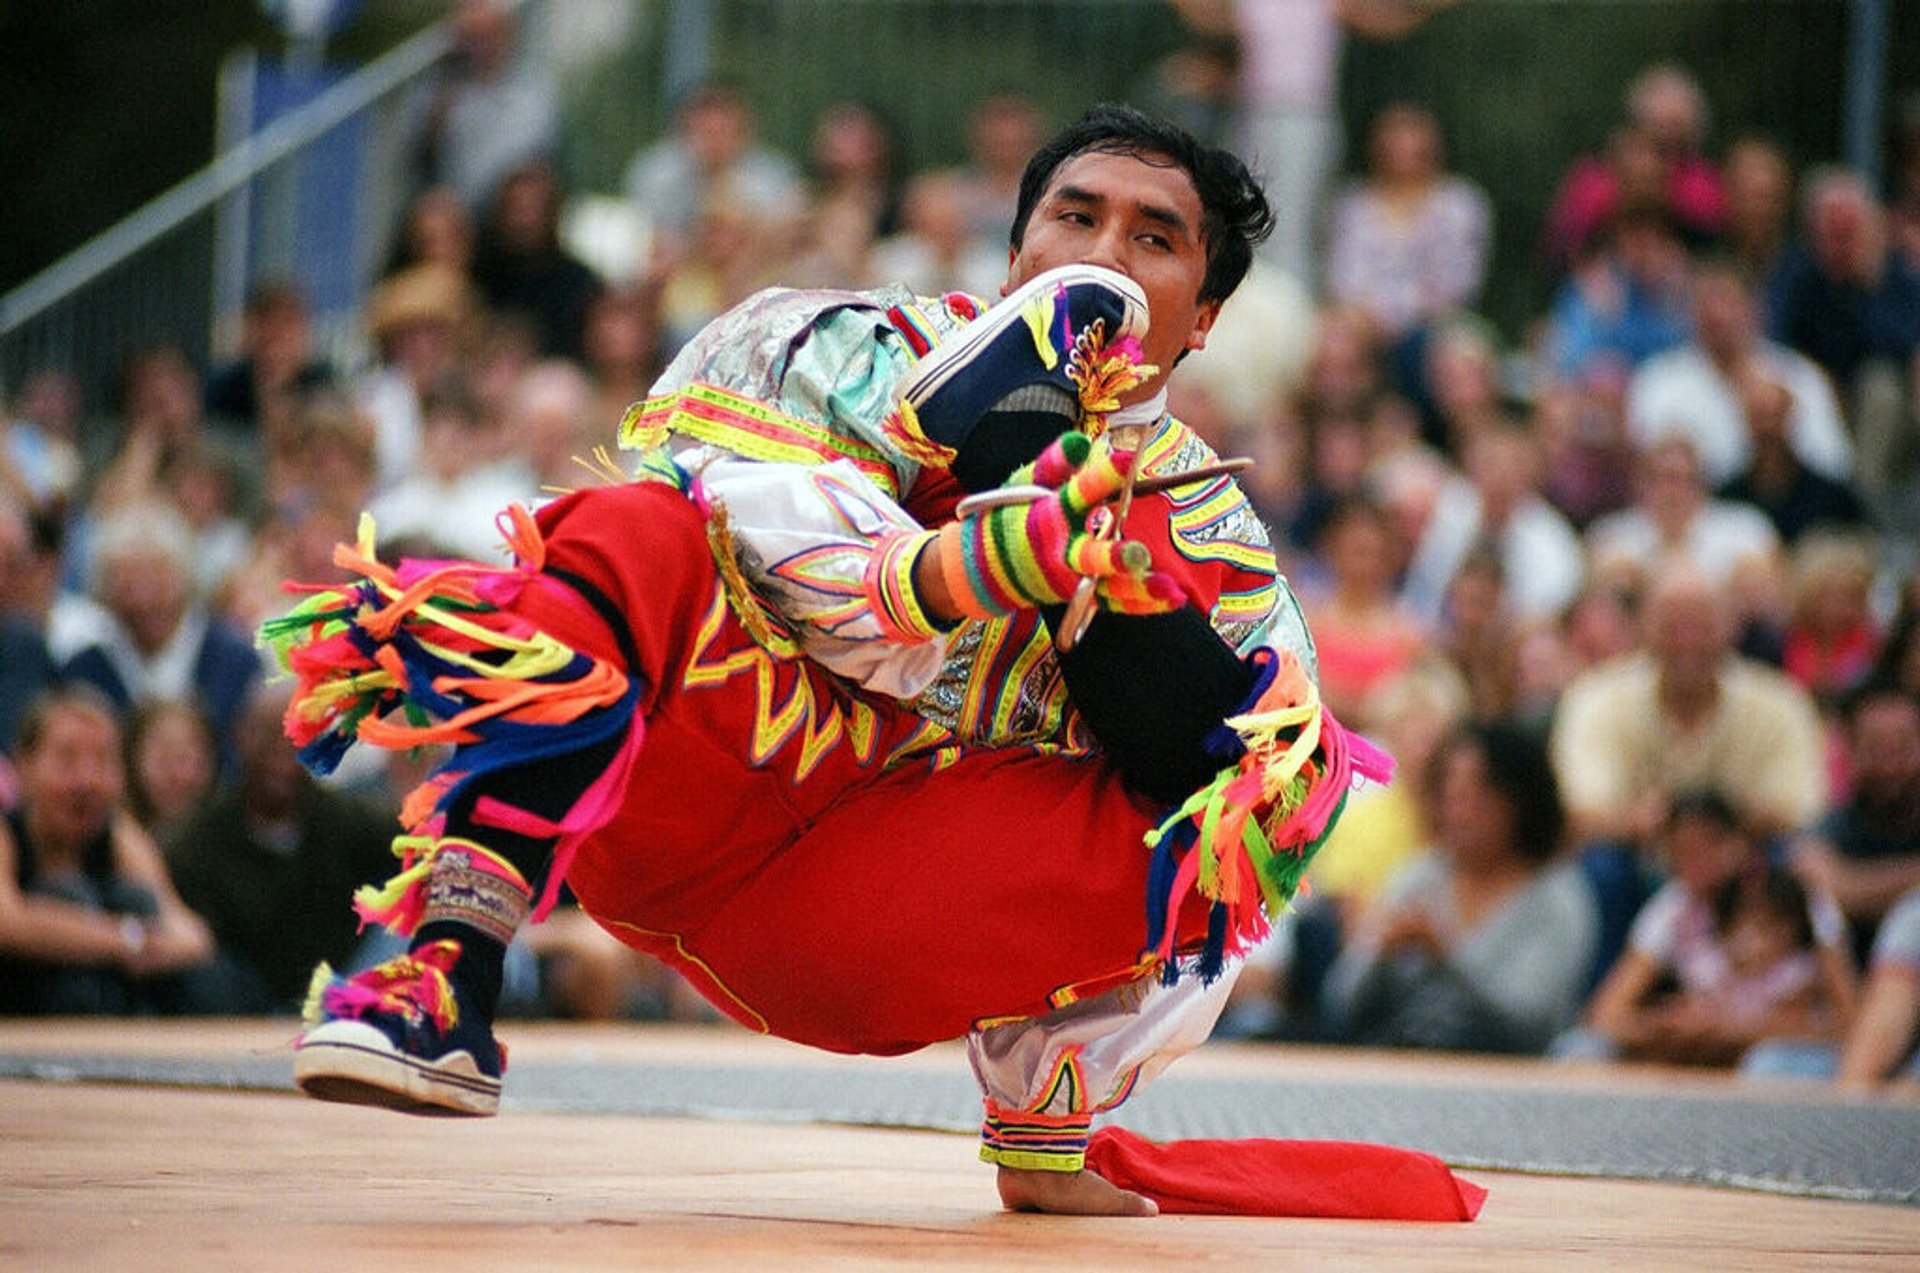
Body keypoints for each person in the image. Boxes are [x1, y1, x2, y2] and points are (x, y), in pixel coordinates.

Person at [276, 104, 1384, 1216]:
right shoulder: (828, 338)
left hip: (889, 904)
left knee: (1279, 771)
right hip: (691, 777)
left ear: (1202, 316)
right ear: (1015, 252)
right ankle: (448, 979)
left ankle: (1048, 1115)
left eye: (1152, 239)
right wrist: (979, 507)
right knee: (629, 527)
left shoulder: (1214, 531)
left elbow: (1229, 785)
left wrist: (1070, 522)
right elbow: (671, 517)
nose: (1101, 251)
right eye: (1075, 216)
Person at [1320, 722, 1599, 1054]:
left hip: (1505, 1075)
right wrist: (1376, 955)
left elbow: (1530, 1021)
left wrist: (1444, 957)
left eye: (1476, 799)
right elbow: (1339, 1003)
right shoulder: (1418, 878)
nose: (1459, 814)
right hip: (1398, 1061)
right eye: (1450, 797)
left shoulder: (1557, 897)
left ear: (1520, 801)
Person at [1567, 791, 1856, 1071]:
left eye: (1710, 845)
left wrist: (1736, 1030)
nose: (1698, 864)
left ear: (1741, 841)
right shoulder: (1671, 910)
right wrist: (1670, 1027)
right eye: (1683, 852)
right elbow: (1606, 1014)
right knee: (1581, 1049)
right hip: (1701, 1054)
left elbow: (1851, 1024)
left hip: (1780, 1054)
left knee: (1767, 1065)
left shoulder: (1800, 900)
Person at [0, 687, 217, 1014]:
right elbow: (9, 923)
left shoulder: (117, 833)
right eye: (67, 759)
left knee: (139, 903)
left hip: (115, 1010)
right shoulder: (6, 833)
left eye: (102, 760)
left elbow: (188, 932)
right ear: (23, 765)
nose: (86, 781)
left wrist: (146, 940)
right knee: (66, 894)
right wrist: (127, 939)